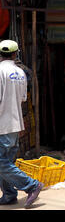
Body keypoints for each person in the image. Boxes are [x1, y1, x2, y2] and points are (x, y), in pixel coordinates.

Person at [0, 39, 43, 208]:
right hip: (15, 123)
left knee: (2, 163)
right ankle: (9, 194)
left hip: (2, 125)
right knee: (6, 162)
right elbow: (23, 99)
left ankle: (32, 185)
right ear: (15, 53)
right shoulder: (20, 73)